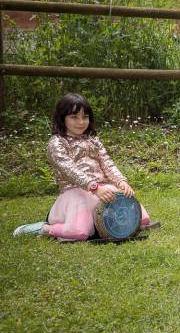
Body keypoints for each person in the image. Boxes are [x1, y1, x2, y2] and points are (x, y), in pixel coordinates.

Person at [13, 93, 153, 240]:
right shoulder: (57, 143)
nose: (81, 122)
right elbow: (69, 169)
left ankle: (101, 225)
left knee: (143, 221)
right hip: (76, 193)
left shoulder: (93, 140)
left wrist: (121, 181)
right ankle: (44, 228)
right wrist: (94, 187)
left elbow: (107, 163)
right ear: (62, 118)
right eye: (74, 117)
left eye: (85, 117)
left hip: (104, 189)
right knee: (80, 232)